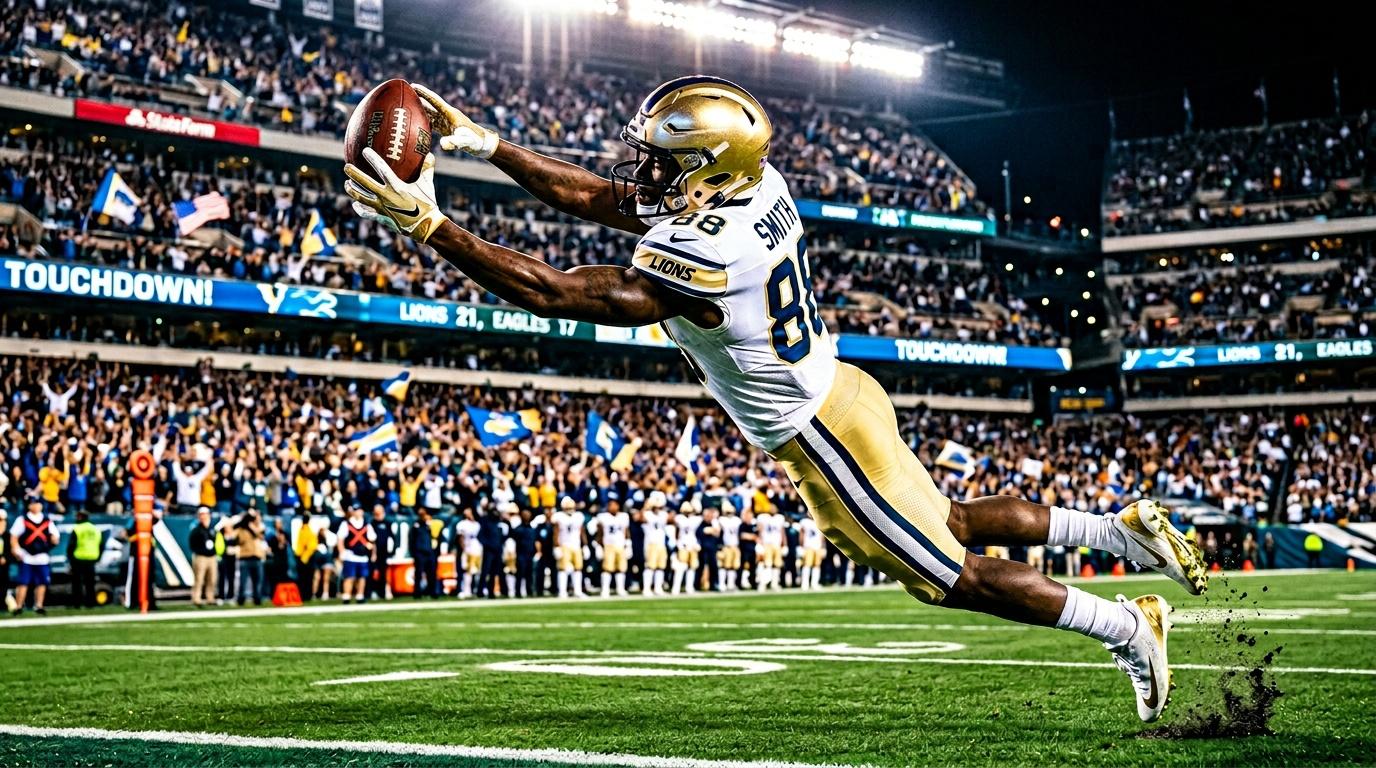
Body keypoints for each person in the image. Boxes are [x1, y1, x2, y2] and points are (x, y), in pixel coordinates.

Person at [347, 74, 1212, 722]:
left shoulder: (707, 250)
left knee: (949, 578)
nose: (641, 169)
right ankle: (1112, 533)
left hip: (817, 438)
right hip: (845, 391)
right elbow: (610, 199)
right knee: (946, 520)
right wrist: (489, 146)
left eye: (662, 159)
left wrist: (432, 228)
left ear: (704, 169)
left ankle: (1126, 625)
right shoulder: (756, 185)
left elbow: (566, 294)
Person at [10, 499, 59, 615]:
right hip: (27, 555)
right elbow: (14, 537)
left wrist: (53, 541)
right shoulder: (22, 520)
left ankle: (39, 605)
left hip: (42, 556)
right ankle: (19, 606)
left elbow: (55, 537)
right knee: (23, 582)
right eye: (34, 504)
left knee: (42, 582)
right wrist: (17, 551)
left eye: (38, 504)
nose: (36, 506)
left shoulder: (47, 520)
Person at [336, 506, 375, 603]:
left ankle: (360, 595)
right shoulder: (346, 524)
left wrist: (370, 547)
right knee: (349, 577)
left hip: (363, 555)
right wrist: (342, 552)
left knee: (362, 577)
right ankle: (346, 595)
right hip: (351, 555)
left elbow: (372, 538)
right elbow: (340, 539)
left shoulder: (367, 525)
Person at [551, 497, 585, 598]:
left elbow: (582, 531)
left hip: (576, 544)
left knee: (578, 568)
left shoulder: (579, 516)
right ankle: (562, 591)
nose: (570, 509)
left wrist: (585, 545)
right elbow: (556, 532)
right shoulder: (559, 517)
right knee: (563, 568)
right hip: (564, 545)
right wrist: (556, 546)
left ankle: (577, 591)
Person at [67, 510, 102, 608]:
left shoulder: (77, 528)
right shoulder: (95, 529)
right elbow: (101, 544)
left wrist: (70, 558)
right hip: (92, 558)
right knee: (90, 583)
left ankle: (77, 603)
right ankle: (90, 603)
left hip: (78, 558)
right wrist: (98, 557)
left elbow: (71, 545)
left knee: (77, 583)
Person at [597, 499, 631, 597]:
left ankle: (620, 589)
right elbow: (600, 533)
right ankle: (605, 589)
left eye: (615, 505)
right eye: (611, 505)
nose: (613, 507)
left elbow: (626, 531)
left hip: (620, 544)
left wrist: (628, 543)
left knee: (621, 568)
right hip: (608, 545)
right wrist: (599, 546)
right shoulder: (603, 517)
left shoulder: (624, 517)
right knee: (607, 568)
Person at [235, 509, 267, 606]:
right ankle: (241, 599)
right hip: (245, 557)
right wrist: (246, 527)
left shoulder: (259, 527)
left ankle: (257, 598)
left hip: (257, 557)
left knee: (258, 581)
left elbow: (261, 536)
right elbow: (240, 540)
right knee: (243, 581)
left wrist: (252, 527)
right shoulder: (242, 529)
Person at [188, 507, 218, 607]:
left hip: (212, 557)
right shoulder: (196, 530)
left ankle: (210, 598)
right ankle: (196, 598)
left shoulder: (213, 529)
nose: (204, 517)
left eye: (205, 514)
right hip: (201, 557)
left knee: (212, 579)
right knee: (199, 579)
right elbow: (192, 544)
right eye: (202, 515)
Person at [641, 493, 670, 596]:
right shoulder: (647, 514)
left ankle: (658, 588)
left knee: (660, 566)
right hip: (651, 543)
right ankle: (647, 588)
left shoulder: (663, 514)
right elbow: (640, 518)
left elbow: (671, 519)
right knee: (650, 566)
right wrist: (646, 506)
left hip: (661, 543)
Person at [410, 509, 440, 598]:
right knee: (418, 573)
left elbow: (436, 537)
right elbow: (412, 540)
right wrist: (414, 553)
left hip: (430, 552)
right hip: (419, 552)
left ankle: (432, 591)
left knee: (431, 573)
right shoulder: (416, 526)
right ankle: (417, 593)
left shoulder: (430, 526)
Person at [455, 508, 482, 598]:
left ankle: (476, 589)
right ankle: (465, 589)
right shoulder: (462, 524)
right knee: (467, 570)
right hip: (467, 547)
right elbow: (460, 537)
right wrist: (464, 548)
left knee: (477, 570)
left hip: (477, 547)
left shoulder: (477, 524)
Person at [368, 505, 393, 601]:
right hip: (374, 552)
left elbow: (391, 537)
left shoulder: (387, 523)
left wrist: (392, 550)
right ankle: (372, 591)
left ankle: (383, 592)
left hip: (384, 552)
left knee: (383, 572)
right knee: (373, 572)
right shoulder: (372, 523)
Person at [510, 509, 537, 598]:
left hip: (530, 554)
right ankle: (518, 592)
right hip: (521, 553)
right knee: (520, 573)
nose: (526, 516)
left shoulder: (532, 529)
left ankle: (529, 591)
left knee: (530, 573)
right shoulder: (518, 529)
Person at [697, 506, 722, 592]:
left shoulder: (714, 524)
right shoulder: (701, 524)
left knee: (713, 567)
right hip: (703, 549)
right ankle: (698, 584)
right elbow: (700, 532)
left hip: (712, 549)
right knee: (701, 567)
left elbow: (717, 534)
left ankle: (714, 584)